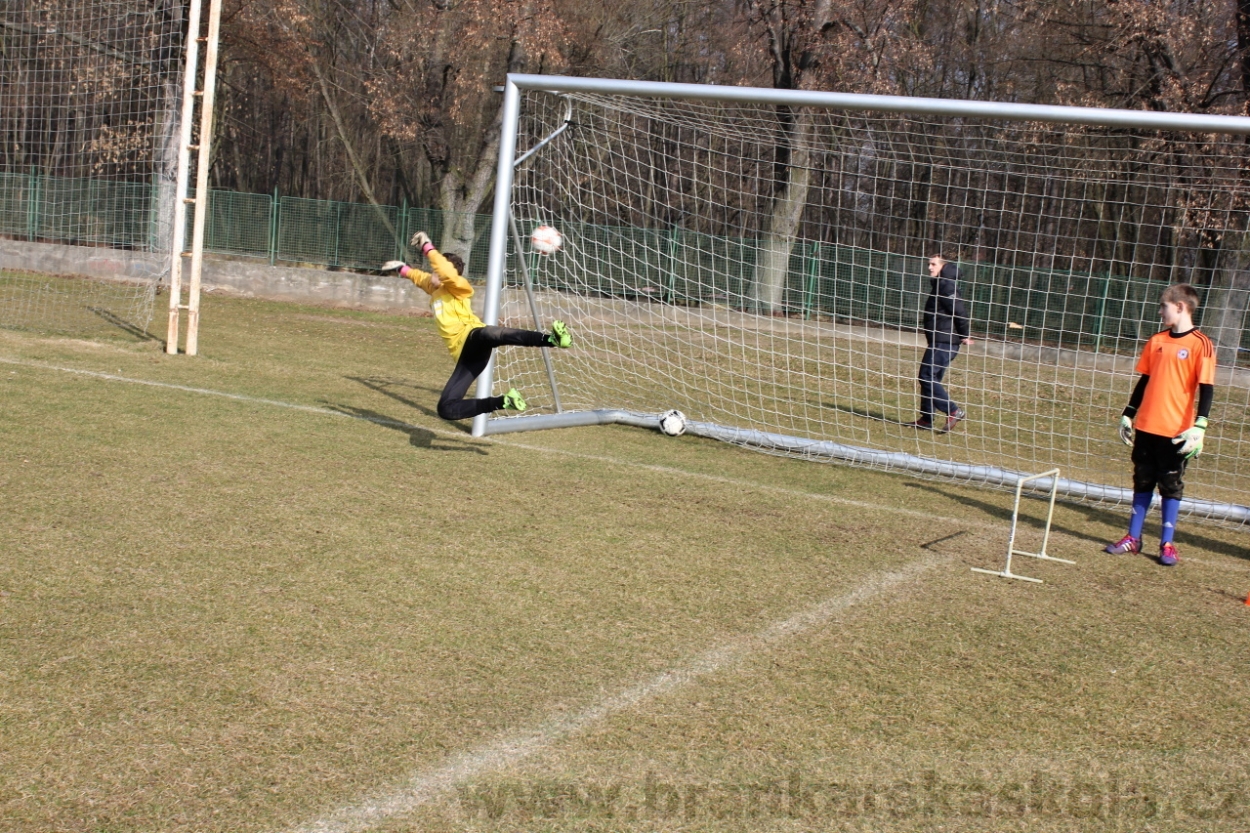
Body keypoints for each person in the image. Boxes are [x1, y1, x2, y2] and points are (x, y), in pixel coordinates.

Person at [382, 231, 571, 421]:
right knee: (446, 408)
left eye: (439, 270)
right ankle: (503, 402)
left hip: (473, 336)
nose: (434, 273)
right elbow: (420, 277)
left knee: (488, 333)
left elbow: (445, 272)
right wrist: (401, 269)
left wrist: (428, 248)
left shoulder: (460, 287)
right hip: (467, 358)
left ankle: (551, 339)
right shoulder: (435, 288)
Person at [1104, 283, 1215, 566]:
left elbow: (1206, 387)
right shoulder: (1157, 341)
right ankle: (1133, 538)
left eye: (1163, 306)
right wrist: (1128, 413)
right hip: (1147, 426)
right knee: (1142, 480)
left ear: (1180, 307)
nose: (1160, 311)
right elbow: (1145, 380)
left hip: (1176, 431)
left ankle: (1167, 544)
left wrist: (1200, 426)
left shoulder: (1201, 344)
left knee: (1170, 485)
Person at [909, 254, 973, 432]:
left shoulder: (946, 284)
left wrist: (964, 334)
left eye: (933, 264)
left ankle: (953, 410)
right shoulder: (941, 283)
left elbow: (959, 310)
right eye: (928, 263)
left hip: (944, 341)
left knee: (926, 375)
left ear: (943, 266)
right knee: (932, 378)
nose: (929, 267)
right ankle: (927, 419)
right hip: (940, 339)